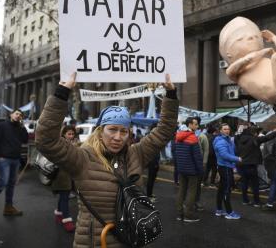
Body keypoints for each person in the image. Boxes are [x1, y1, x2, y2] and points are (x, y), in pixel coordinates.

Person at [35, 73, 178, 247]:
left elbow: (165, 131)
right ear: (100, 131)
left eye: (123, 131)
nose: (118, 137)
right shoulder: (82, 157)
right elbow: (46, 140)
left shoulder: (136, 154)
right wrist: (61, 93)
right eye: (112, 130)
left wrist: (170, 94)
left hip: (129, 240)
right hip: (94, 242)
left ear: (129, 134)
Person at [0, 109, 29, 218]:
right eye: (16, 113)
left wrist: (23, 126)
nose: (18, 116)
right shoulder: (2, 126)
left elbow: (25, 140)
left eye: (20, 115)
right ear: (11, 114)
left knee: (11, 184)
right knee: (3, 182)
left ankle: (8, 207)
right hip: (4, 159)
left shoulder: (19, 128)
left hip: (15, 159)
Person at [235, 125, 276, 207]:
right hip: (251, 165)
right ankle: (256, 202)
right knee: (255, 184)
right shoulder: (254, 139)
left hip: (241, 164)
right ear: (254, 133)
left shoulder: (238, 139)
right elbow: (267, 138)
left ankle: (245, 200)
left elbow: (237, 136)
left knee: (244, 183)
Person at [174, 118, 203, 222]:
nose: (197, 126)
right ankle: (188, 215)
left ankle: (179, 213)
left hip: (181, 169)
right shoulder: (193, 138)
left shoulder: (178, 136)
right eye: (195, 124)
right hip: (192, 170)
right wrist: (201, 170)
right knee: (191, 192)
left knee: (181, 190)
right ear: (190, 125)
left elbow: (175, 154)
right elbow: (197, 157)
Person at [52, 126, 78, 232]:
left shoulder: (73, 144)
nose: (71, 136)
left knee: (64, 195)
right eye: (69, 134)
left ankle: (58, 214)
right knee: (65, 197)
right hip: (61, 175)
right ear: (64, 134)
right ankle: (67, 221)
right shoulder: (60, 144)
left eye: (72, 134)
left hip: (69, 175)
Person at [213, 123, 242, 219]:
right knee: (226, 190)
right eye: (225, 129)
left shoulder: (227, 139)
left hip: (226, 167)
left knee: (222, 189)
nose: (227, 130)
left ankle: (219, 210)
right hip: (225, 167)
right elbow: (224, 155)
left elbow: (230, 152)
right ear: (220, 130)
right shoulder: (221, 141)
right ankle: (229, 212)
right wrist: (237, 159)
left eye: (228, 129)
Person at [193, 117, 209, 211]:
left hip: (199, 164)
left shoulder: (202, 136)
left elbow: (206, 150)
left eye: (195, 123)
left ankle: (196, 201)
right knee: (189, 185)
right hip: (189, 164)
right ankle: (189, 202)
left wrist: (204, 163)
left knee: (197, 184)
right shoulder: (185, 134)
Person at [146, 124, 161, 202]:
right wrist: (155, 163)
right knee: (150, 179)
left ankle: (150, 193)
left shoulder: (155, 137)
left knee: (153, 178)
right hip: (152, 161)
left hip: (155, 160)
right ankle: (148, 196)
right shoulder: (150, 138)